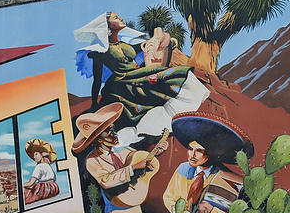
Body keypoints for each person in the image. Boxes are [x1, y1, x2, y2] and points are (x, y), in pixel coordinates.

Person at [74, 12, 210, 148]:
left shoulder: (122, 44)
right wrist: (93, 104)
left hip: (137, 73)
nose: (120, 18)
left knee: (169, 75)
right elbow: (97, 80)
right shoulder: (100, 51)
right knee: (173, 73)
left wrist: (153, 41)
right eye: (115, 18)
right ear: (108, 27)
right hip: (125, 78)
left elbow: (136, 48)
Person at [73, 103, 168, 213]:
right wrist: (133, 167)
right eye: (109, 131)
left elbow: (140, 160)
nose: (114, 133)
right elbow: (105, 180)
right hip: (116, 209)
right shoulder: (92, 160)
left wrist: (156, 154)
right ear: (99, 138)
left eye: (113, 129)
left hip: (134, 204)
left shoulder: (122, 149)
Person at [162, 112, 253, 213]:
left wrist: (212, 212)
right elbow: (170, 197)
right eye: (190, 149)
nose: (192, 155)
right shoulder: (184, 169)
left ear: (210, 154)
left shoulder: (232, 182)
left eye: (199, 151)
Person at [22, 139, 60, 204]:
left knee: (26, 193)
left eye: (36, 154)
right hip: (54, 188)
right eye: (33, 155)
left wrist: (21, 185)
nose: (34, 157)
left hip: (44, 189)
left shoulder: (39, 166)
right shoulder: (47, 165)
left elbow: (31, 182)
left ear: (42, 154)